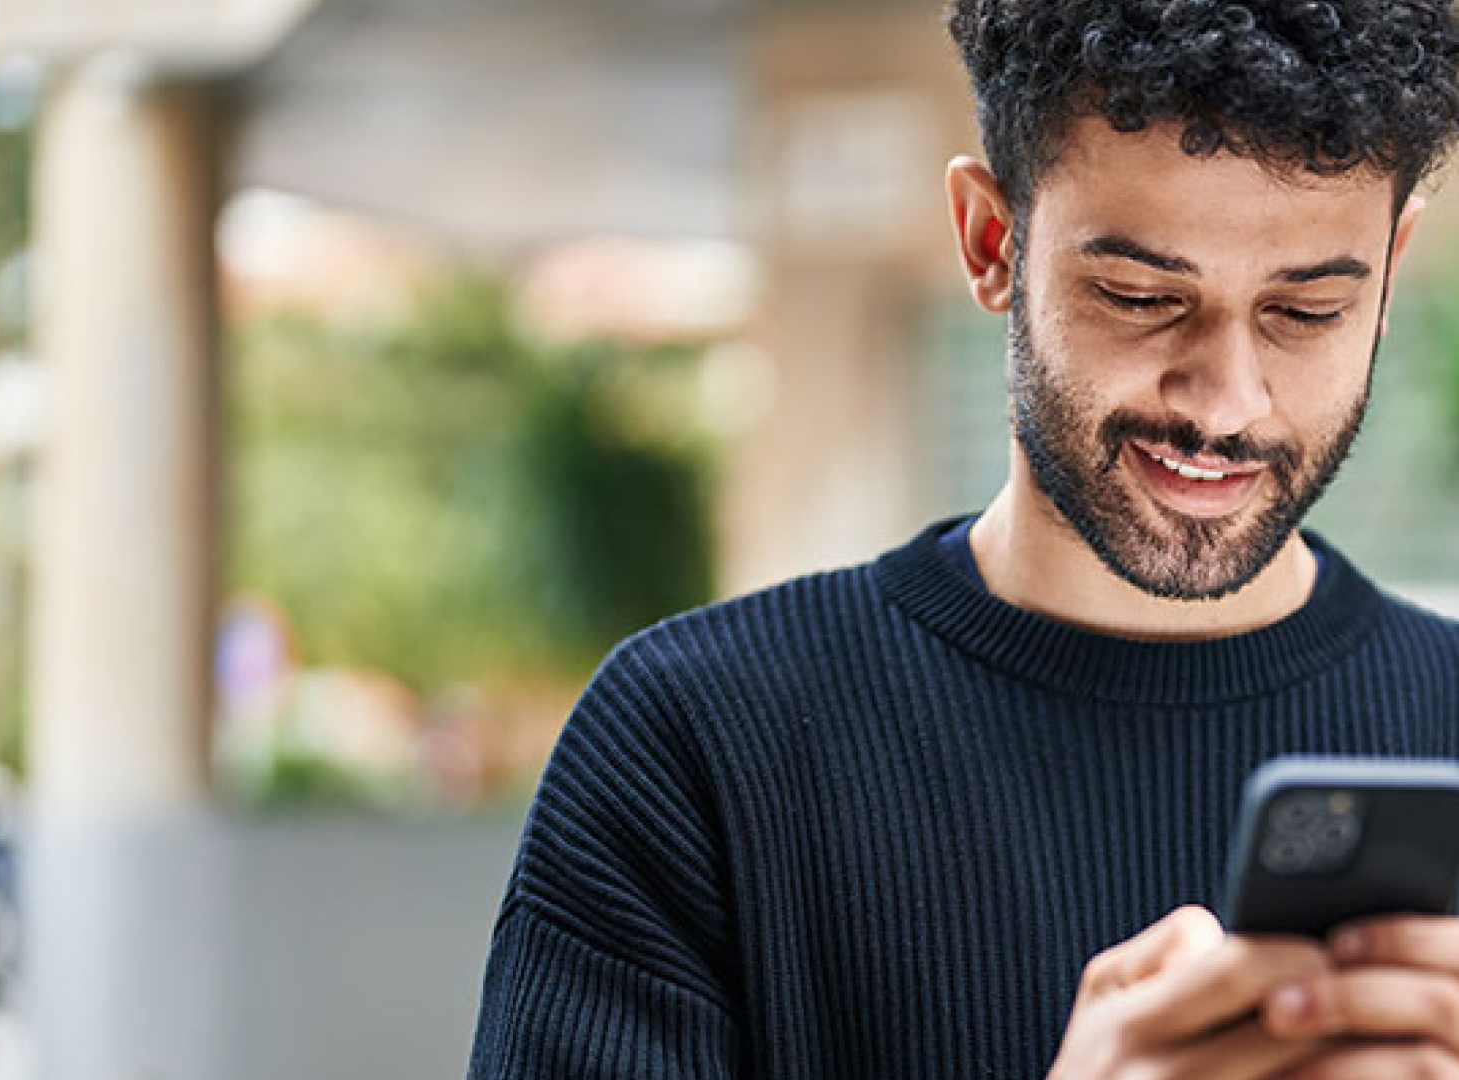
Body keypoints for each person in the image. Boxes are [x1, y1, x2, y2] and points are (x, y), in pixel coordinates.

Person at [468, 2, 1459, 1077]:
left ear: (1388, 275)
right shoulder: (691, 748)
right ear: (992, 243)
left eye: (1304, 312)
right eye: (1138, 297)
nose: (1224, 403)